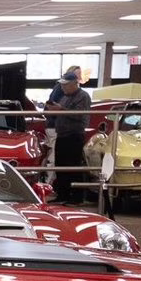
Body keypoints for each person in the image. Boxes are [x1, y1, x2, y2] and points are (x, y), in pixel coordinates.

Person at [45, 70, 90, 203]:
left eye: (65, 85)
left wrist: (60, 110)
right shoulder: (65, 97)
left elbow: (80, 115)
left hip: (74, 135)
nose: (63, 87)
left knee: (73, 166)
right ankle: (63, 195)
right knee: (61, 165)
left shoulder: (83, 96)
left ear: (74, 84)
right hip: (62, 134)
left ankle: (76, 197)